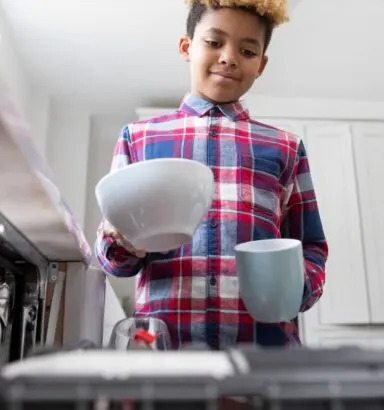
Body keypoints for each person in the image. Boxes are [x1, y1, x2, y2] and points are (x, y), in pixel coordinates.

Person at [95, 0, 328, 350]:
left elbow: (312, 247)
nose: (229, 57)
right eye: (214, 42)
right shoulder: (138, 138)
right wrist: (120, 243)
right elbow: (112, 256)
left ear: (261, 65)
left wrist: (295, 289)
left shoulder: (287, 148)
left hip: (264, 354)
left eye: (247, 50)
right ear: (187, 47)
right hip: (164, 353)